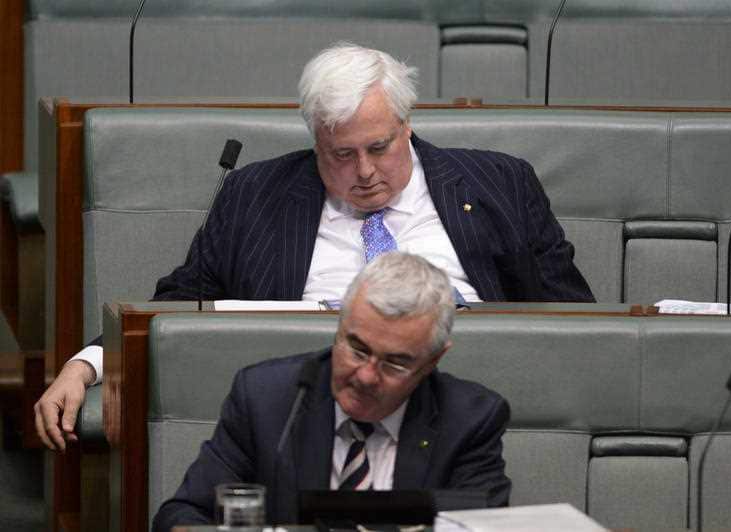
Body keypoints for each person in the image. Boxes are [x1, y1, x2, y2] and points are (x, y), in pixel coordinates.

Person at [35, 42, 593, 451]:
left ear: (407, 123)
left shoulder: (499, 183)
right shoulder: (256, 194)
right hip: (307, 414)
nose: (366, 172)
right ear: (315, 139)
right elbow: (180, 302)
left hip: (473, 399)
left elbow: (576, 320)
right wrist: (85, 366)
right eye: (342, 156)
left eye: (379, 147)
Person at [152, 252, 512, 529]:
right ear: (339, 326)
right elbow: (182, 515)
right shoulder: (267, 398)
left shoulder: (470, 420)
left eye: (395, 363)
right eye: (356, 349)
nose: (366, 376)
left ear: (434, 359)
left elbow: (485, 527)